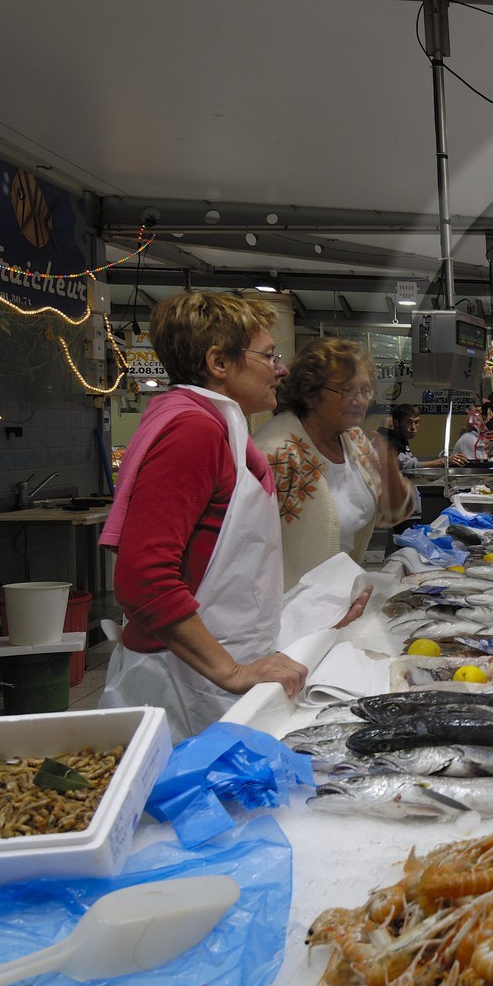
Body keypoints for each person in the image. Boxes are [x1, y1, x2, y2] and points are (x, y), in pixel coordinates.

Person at [99, 292, 316, 740]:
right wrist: (232, 671)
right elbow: (143, 578)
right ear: (219, 361)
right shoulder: (193, 430)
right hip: (183, 683)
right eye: (269, 355)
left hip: (203, 671)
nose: (281, 369)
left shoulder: (215, 424)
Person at [256, 338, 417, 589]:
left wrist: (389, 472)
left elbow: (395, 512)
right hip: (287, 607)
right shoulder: (275, 453)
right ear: (310, 393)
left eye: (365, 391)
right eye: (346, 390)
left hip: (338, 597)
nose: (360, 401)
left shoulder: (353, 438)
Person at [379, 403, 467, 472]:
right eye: (408, 422)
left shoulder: (400, 441)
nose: (413, 427)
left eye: (416, 422)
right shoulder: (388, 441)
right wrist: (444, 461)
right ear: (396, 423)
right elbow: (408, 466)